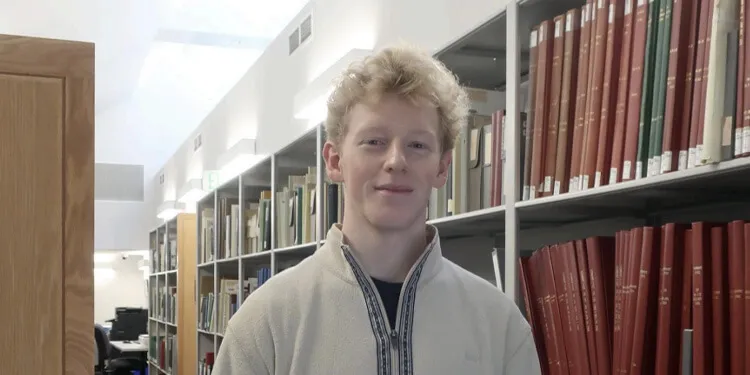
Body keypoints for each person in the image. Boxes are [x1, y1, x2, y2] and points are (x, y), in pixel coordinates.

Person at [213, 43, 541, 375]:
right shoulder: (263, 325)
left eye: (417, 145)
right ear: (335, 161)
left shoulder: (500, 325)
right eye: (374, 142)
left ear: (442, 168)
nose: (396, 161)